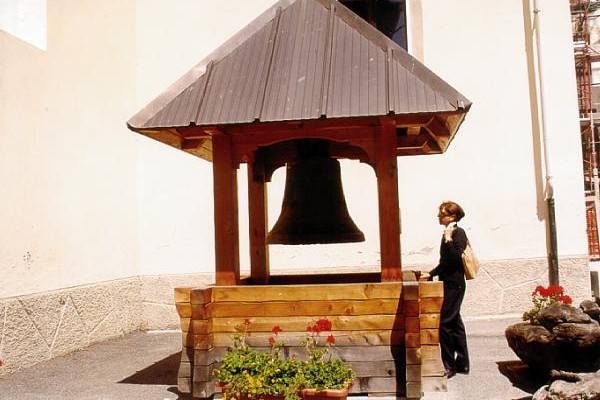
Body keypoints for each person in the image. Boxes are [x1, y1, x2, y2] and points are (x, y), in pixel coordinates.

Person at [421, 201, 470, 379]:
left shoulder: (458, 233)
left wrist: (449, 239)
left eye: (442, 214)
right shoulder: (448, 233)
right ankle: (463, 364)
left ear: (452, 216)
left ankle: (450, 366)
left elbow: (456, 259)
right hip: (448, 283)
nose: (438, 217)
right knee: (455, 323)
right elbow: (445, 263)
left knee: (444, 324)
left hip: (455, 285)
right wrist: (431, 273)